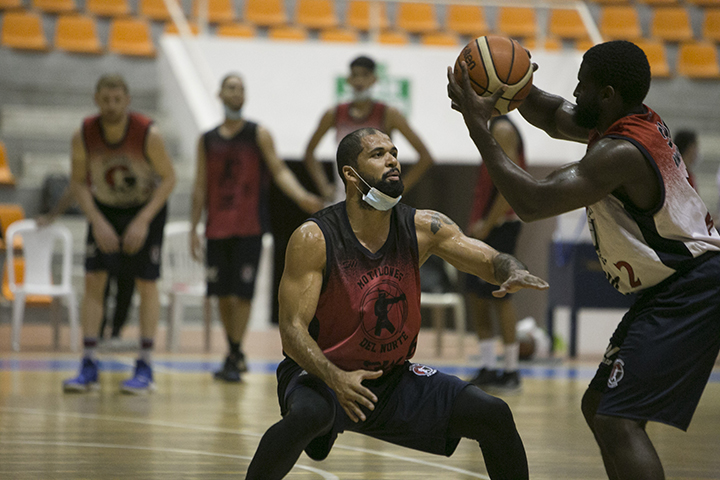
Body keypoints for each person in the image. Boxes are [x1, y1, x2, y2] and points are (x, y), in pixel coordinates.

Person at [448, 40, 720, 480]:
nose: (574, 90)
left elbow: (532, 201)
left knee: (618, 418)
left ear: (608, 94)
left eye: (582, 84)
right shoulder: (632, 121)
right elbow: (556, 116)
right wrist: (516, 86)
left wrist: (479, 125)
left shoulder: (622, 153)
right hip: (676, 286)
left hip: (694, 288)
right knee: (598, 406)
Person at [245, 127, 549, 479]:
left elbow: (488, 260)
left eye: (394, 153)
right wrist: (336, 378)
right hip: (321, 373)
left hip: (390, 378)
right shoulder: (315, 237)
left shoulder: (422, 227)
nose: (392, 160)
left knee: (493, 414)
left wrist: (513, 269)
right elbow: (291, 331)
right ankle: (319, 423)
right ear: (350, 174)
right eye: (377, 154)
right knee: (308, 416)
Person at [190, 73, 323, 382]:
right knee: (222, 294)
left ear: (245, 97)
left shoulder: (258, 134)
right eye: (230, 88)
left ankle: (235, 352)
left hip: (249, 226)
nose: (236, 94)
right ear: (219, 94)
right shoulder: (207, 139)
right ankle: (233, 349)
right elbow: (199, 185)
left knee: (243, 294)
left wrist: (303, 197)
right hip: (216, 228)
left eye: (240, 89)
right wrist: (194, 226)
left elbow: (278, 171)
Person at [63, 73, 176, 394]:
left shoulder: (147, 133)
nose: (111, 106)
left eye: (117, 100)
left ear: (127, 100)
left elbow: (169, 179)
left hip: (145, 208)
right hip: (106, 208)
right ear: (96, 99)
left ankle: (145, 363)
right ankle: (88, 362)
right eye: (106, 99)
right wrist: (97, 221)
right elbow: (78, 183)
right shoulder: (83, 134)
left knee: (146, 282)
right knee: (94, 279)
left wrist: (142, 220)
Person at [304, 55, 434, 204]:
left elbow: (425, 157)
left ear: (374, 79)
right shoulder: (334, 114)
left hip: (378, 201)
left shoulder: (388, 114)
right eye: (355, 75)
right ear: (348, 79)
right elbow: (309, 152)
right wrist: (325, 187)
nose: (359, 81)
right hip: (343, 200)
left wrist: (397, 190)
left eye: (365, 75)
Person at [465, 115, 526, 392]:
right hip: (486, 226)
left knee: (501, 296)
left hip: (499, 226)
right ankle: (489, 367)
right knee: (478, 296)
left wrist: (487, 226)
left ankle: (511, 370)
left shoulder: (502, 129)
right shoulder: (492, 128)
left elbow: (509, 186)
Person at [38, 186, 136, 346]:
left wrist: (144, 221)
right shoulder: (90, 163)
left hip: (131, 223)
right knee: (97, 281)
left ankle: (116, 333)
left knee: (127, 281)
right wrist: (52, 216)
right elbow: (74, 187)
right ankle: (95, 336)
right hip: (102, 223)